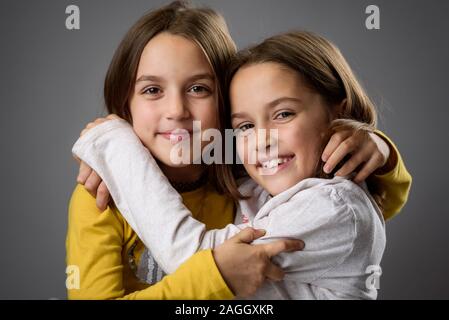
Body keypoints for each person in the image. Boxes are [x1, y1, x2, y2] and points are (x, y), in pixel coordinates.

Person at [72, 31, 411, 299]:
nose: (176, 110)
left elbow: (363, 209)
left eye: (283, 114)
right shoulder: (251, 177)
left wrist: (113, 147)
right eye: (246, 126)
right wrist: (112, 160)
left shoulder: (319, 201)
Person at [66, 1, 304, 300]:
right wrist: (216, 277)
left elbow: (347, 214)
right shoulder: (101, 196)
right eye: (152, 90)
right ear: (126, 103)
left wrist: (378, 155)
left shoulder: (254, 171)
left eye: (198, 89)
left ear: (227, 100)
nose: (176, 110)